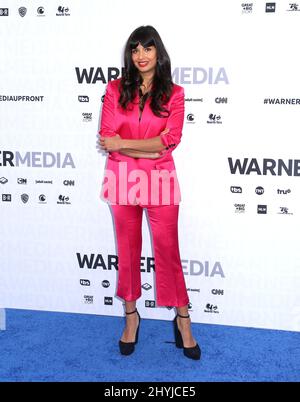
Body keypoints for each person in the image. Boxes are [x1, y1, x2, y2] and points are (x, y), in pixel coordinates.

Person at [99, 25, 200, 360]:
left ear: (159, 52)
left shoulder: (175, 93)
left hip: (160, 181)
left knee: (168, 251)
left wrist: (124, 144)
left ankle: (183, 320)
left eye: (148, 48)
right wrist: (148, 149)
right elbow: (106, 138)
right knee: (127, 251)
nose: (141, 55)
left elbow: (168, 142)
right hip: (122, 179)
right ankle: (131, 317)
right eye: (135, 49)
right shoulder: (115, 90)